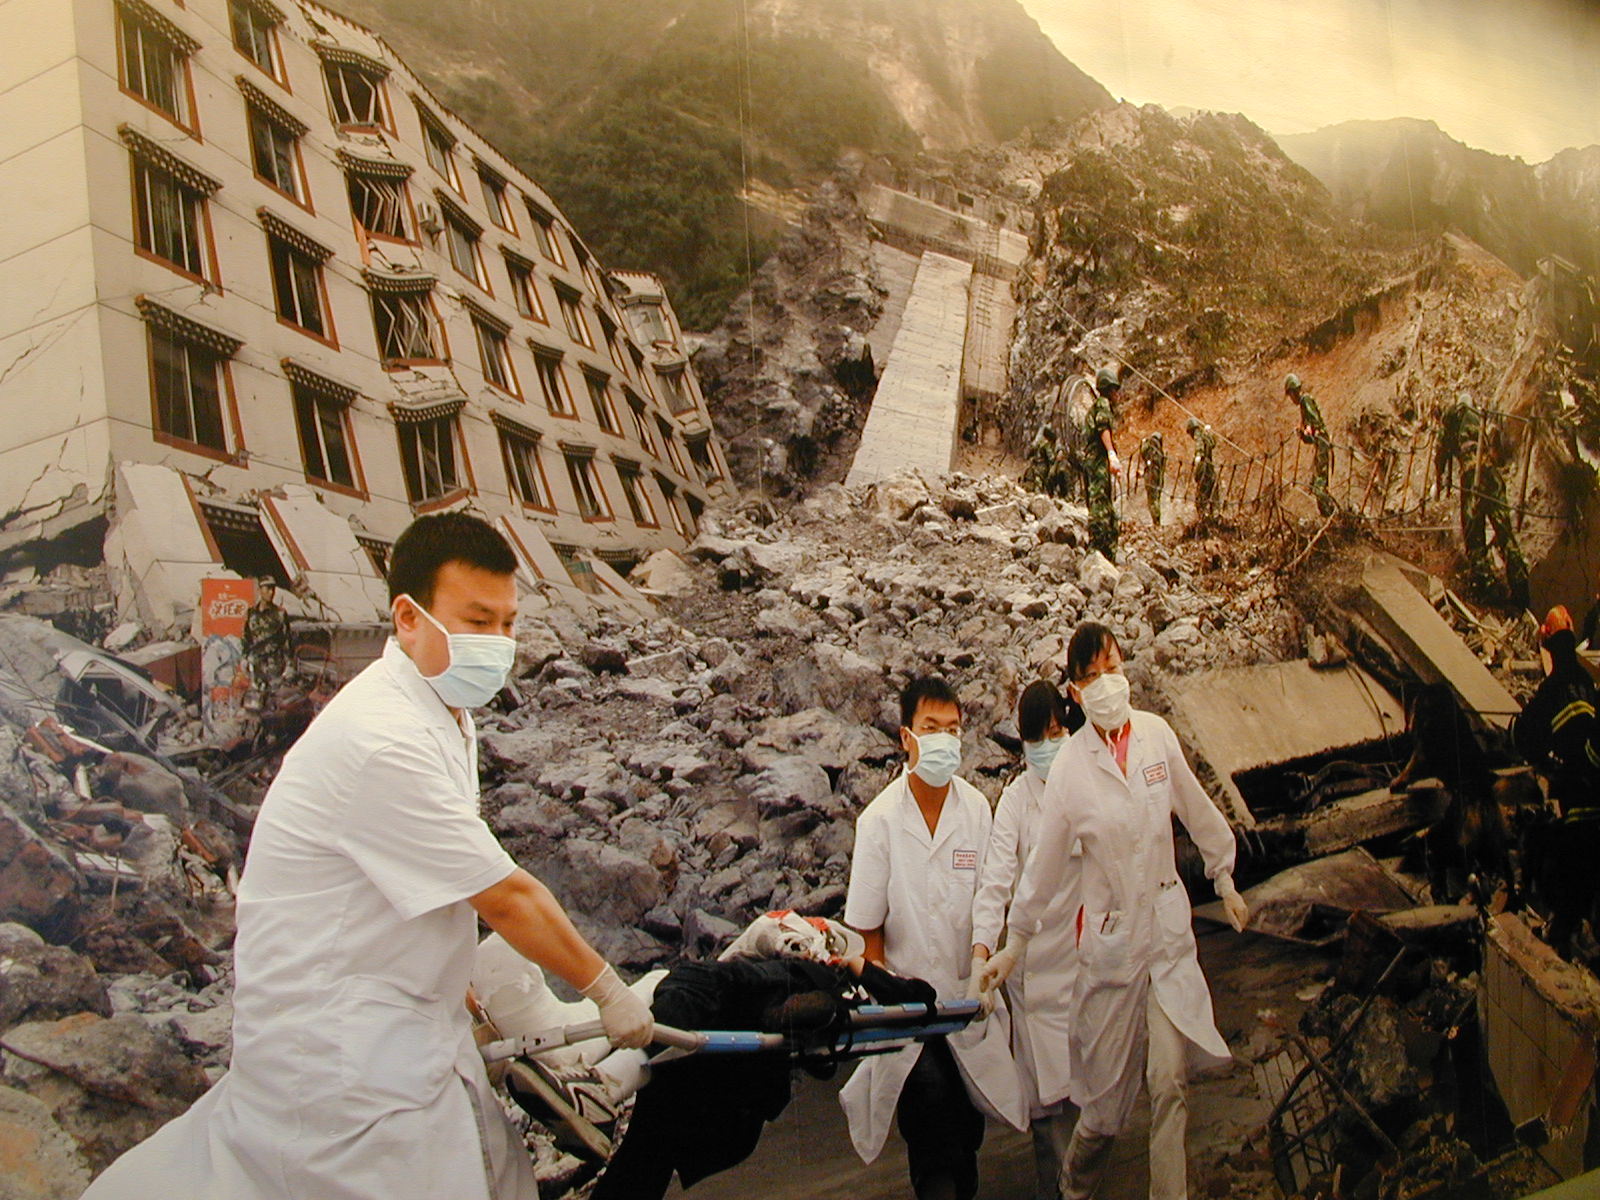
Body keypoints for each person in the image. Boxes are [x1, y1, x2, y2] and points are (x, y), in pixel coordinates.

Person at [83, 512, 653, 1200]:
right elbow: (506, 896)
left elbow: (418, 871)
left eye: (507, 623)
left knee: (489, 1173)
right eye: (477, 621)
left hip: (399, 1016)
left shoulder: (440, 709)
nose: (498, 643)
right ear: (409, 617)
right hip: (341, 1048)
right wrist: (608, 992)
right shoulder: (383, 738)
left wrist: (457, 985)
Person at [980, 623, 1249, 1200]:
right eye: (1091, 676)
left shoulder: (1156, 737)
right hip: (1112, 951)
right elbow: (1042, 868)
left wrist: (1223, 876)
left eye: (1113, 668)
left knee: (1170, 1082)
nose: (1106, 683)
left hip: (1167, 941)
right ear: (1075, 691)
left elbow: (1195, 807)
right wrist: (1015, 942)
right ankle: (1073, 1188)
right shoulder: (1071, 771)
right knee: (1103, 1113)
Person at [842, 676, 1027, 1199]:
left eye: (953, 729)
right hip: (909, 1011)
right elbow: (866, 928)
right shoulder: (879, 822)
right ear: (907, 737)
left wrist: (982, 966)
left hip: (966, 999)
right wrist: (888, 995)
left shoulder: (976, 810)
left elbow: (990, 899)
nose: (944, 740)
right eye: (932, 728)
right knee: (930, 1108)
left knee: (966, 1128)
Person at [972, 680, 1083, 1200]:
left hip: (1083, 960)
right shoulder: (1016, 800)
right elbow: (996, 881)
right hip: (1033, 966)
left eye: (1056, 733)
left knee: (1090, 1094)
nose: (1048, 745)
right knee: (1047, 1109)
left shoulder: (1088, 783)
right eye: (1037, 738)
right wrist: (983, 951)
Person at [1513, 607, 1600, 955]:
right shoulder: (1588, 683)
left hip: (1578, 792)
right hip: (1593, 787)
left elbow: (1527, 740)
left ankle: (1563, 933)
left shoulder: (1551, 689)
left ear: (1547, 647)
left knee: (1571, 865)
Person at [1452, 404, 1530, 606]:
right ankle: (1521, 588)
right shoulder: (1480, 418)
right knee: (1505, 534)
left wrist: (1442, 477)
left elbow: (1440, 453)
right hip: (1492, 476)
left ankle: (1486, 589)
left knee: (1474, 537)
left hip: (1473, 478)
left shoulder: (1452, 418)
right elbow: (1498, 452)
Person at [1285, 373, 1335, 518]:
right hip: (1320, 444)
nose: (1291, 399)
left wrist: (1308, 430)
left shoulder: (1305, 400)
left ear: (1293, 392)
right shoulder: (1304, 404)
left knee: (1319, 485)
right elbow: (1310, 438)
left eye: (1291, 395)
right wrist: (1303, 434)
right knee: (1316, 484)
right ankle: (1328, 514)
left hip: (1322, 444)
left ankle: (1331, 513)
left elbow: (1316, 423)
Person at [1086, 367, 1123, 560]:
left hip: (1097, 461)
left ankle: (1107, 550)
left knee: (1105, 504)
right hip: (1098, 461)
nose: (1118, 394)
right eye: (1115, 390)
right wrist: (1111, 453)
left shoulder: (1100, 405)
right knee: (1100, 504)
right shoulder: (1102, 404)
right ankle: (1097, 549)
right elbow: (1103, 428)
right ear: (1108, 389)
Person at [241, 577, 292, 696]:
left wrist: (289, 664)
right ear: (260, 590)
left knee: (274, 698)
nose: (271, 592)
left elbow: (287, 640)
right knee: (255, 698)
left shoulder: (280, 613)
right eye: (268, 588)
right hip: (256, 664)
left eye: (273, 589)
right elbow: (246, 637)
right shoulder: (251, 613)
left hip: (274, 664)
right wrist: (244, 658)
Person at [1186, 417, 1218, 526]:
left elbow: (1199, 445)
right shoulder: (1206, 435)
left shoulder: (1198, 434)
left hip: (1204, 468)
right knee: (1211, 494)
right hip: (1210, 468)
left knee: (1200, 497)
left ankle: (1203, 519)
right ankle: (1213, 516)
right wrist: (1210, 433)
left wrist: (1198, 456)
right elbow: (1213, 443)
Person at [1139, 432, 1165, 526]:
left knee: (1152, 499)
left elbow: (1143, 452)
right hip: (1159, 475)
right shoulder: (1160, 452)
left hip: (1151, 474)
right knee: (1156, 498)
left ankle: (1156, 522)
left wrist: (1144, 442)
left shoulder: (1151, 445)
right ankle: (1157, 520)